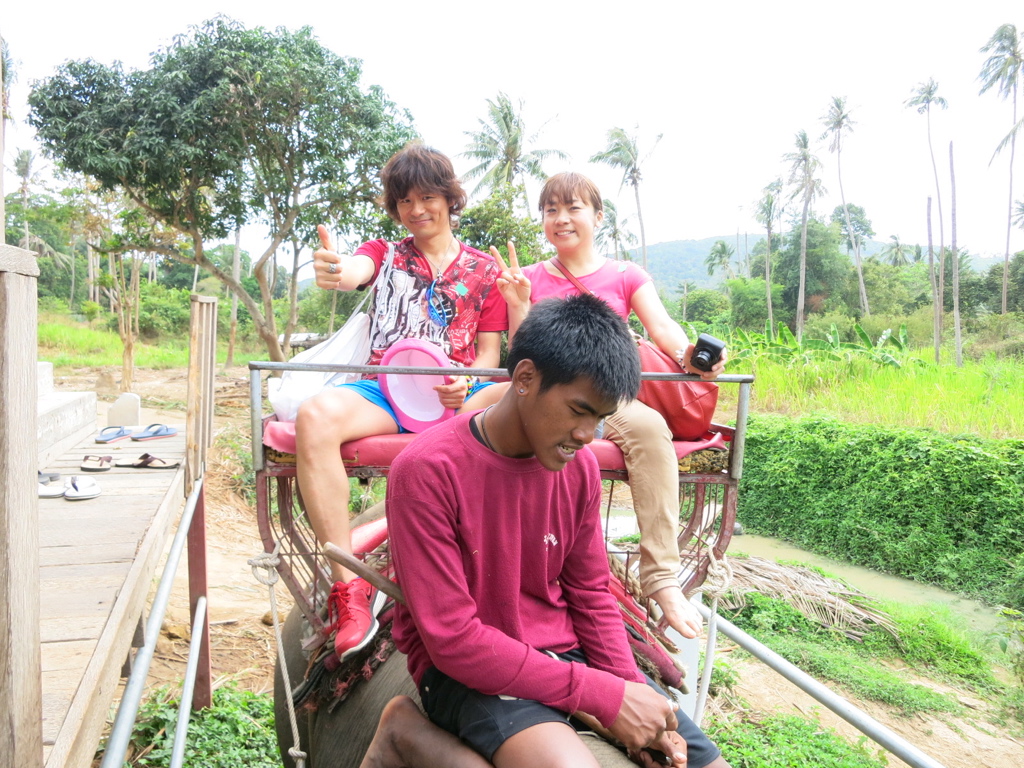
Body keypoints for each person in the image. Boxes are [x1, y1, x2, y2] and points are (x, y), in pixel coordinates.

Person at [373, 294, 729, 768]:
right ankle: (403, 732)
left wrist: (626, 691)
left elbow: (590, 593)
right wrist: (598, 694)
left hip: (565, 653)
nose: (588, 435)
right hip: (470, 672)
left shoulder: (578, 469)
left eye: (601, 419)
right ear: (524, 379)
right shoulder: (426, 470)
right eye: (579, 411)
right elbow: (454, 640)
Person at [480, 171, 727, 641]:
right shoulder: (524, 277)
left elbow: (664, 327)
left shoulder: (626, 275)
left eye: (573, 208)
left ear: (597, 217)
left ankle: (660, 577)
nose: (561, 218)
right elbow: (520, 359)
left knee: (650, 429)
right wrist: (518, 303)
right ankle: (489, 548)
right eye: (551, 210)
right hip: (543, 399)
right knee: (481, 413)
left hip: (605, 399)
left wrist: (689, 356)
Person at [296, 142, 507, 660]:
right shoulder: (384, 253)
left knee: (513, 395)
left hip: (458, 397)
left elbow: (488, 355)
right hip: (386, 390)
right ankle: (347, 587)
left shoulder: (486, 272)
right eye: (405, 201)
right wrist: (335, 270)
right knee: (314, 415)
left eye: (428, 197)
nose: (417, 210)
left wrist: (467, 386)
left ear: (449, 199)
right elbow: (351, 273)